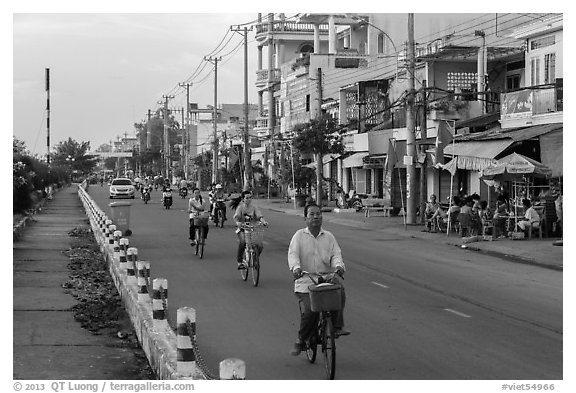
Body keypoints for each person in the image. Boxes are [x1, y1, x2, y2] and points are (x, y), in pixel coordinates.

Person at [288, 203, 349, 357]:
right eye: (312, 214)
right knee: (311, 309)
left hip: (326, 277)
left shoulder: (328, 236)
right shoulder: (299, 236)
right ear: (305, 218)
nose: (316, 217)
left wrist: (338, 267)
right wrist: (296, 268)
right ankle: (301, 339)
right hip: (306, 279)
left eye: (318, 214)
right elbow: (293, 254)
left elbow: (336, 254)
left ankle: (336, 325)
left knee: (339, 290)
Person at [233, 190, 268, 270]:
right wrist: (238, 222)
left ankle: (255, 258)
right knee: (243, 242)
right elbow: (236, 217)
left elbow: (260, 216)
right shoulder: (240, 208)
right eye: (247, 198)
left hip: (253, 229)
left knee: (260, 245)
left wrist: (264, 222)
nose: (249, 199)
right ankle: (240, 262)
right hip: (242, 229)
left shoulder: (254, 207)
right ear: (243, 199)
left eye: (250, 198)